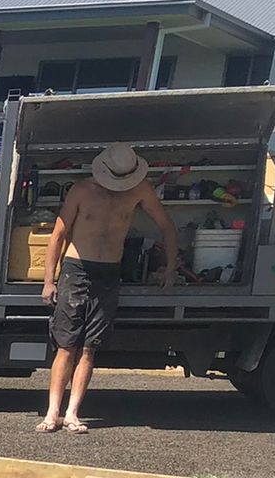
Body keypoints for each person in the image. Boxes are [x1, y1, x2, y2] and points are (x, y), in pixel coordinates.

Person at [38, 142, 178, 433]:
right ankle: (53, 413)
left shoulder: (140, 190)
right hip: (76, 269)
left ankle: (73, 413)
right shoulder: (81, 190)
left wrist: (170, 269)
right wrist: (49, 280)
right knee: (66, 345)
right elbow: (58, 235)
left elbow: (167, 226)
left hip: (109, 272)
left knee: (89, 347)